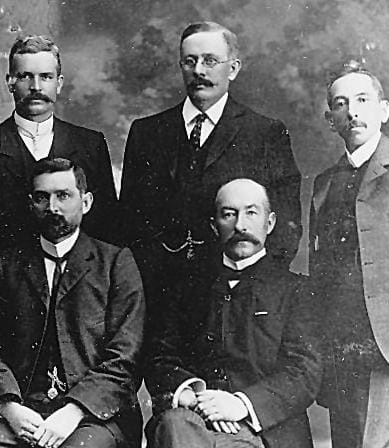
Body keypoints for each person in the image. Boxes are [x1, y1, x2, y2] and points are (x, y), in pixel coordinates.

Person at [0, 158, 144, 448]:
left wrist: (74, 410)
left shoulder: (116, 263)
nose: (53, 207)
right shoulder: (6, 264)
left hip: (94, 416)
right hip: (19, 413)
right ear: (31, 204)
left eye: (63, 196)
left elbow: (124, 358)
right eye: (42, 197)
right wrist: (9, 407)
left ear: (87, 201)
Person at [119, 22, 301, 329]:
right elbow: (129, 222)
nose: (199, 70)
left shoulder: (265, 133)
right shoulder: (147, 133)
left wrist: (254, 287)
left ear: (233, 68)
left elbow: (285, 224)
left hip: (235, 300)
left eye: (210, 61)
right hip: (160, 299)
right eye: (189, 62)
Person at [145, 178, 320, 448]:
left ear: (270, 223)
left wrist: (241, 405)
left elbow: (304, 372)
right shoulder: (187, 287)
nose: (240, 225)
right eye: (229, 214)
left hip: (266, 429)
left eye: (251, 213)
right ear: (215, 226)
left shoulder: (295, 290)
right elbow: (160, 356)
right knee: (174, 424)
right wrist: (195, 395)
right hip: (193, 422)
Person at [0, 35, 118, 302]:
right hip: (3, 296)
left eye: (46, 77)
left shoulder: (89, 144)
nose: (36, 86)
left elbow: (106, 227)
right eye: (25, 76)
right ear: (10, 82)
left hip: (76, 293)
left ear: (59, 84)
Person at [309, 63, 389, 448]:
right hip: (342, 343)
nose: (352, 112)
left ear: (384, 110)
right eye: (340, 104)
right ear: (330, 120)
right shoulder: (325, 184)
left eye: (362, 100)